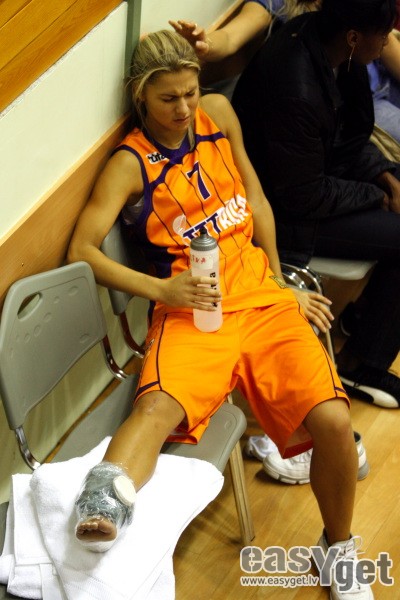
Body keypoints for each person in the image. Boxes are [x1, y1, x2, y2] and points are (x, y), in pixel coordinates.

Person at [68, 30, 373, 599]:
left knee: (333, 420)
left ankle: (336, 548)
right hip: (193, 307)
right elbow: (81, 250)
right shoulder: (129, 163)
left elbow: (255, 199)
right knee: (155, 409)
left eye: (190, 92)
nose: (184, 109)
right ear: (140, 95)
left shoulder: (218, 114)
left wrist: (279, 281)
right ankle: (99, 513)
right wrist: (163, 289)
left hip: (259, 295)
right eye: (168, 98)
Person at [232, 0, 400, 412]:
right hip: (285, 215)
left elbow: (347, 139)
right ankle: (360, 365)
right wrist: (376, 196)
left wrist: (385, 177)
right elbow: (303, 195)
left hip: (313, 183)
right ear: (355, 37)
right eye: (383, 35)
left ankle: (365, 318)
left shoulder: (336, 49)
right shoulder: (295, 84)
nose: (387, 43)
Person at [170, 1, 400, 144]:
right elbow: (230, 37)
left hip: (382, 81)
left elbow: (385, 38)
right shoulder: (280, 5)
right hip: (359, 106)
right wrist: (205, 43)